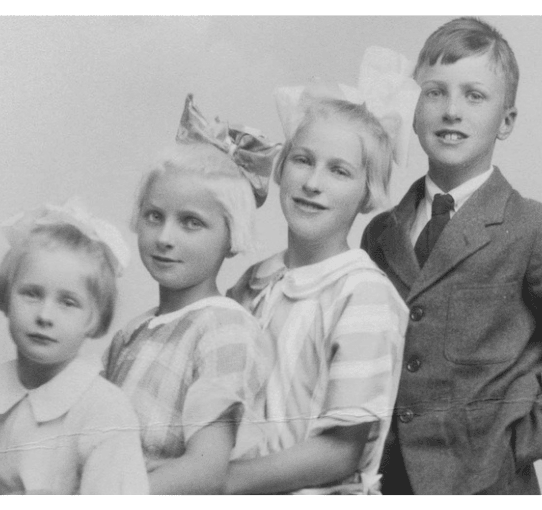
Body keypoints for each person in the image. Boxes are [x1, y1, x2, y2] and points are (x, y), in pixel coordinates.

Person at [360, 17, 542, 494]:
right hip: (382, 484)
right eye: (434, 92)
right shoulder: (380, 233)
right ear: (411, 108)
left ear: (507, 121)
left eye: (474, 96)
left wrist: (510, 449)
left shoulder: (535, 229)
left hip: (488, 487)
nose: (451, 111)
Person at [225, 47, 415, 494]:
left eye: (339, 171)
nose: (313, 183)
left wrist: (216, 484)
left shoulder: (363, 294)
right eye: (303, 160)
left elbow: (339, 452)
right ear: (281, 167)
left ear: (368, 193)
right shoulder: (253, 282)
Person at [102, 95, 277, 494]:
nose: (165, 237)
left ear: (231, 236)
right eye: (154, 216)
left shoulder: (224, 328)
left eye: (191, 223)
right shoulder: (132, 333)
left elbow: (205, 471)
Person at [0, 198, 148, 495]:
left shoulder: (105, 412)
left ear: (94, 318)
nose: (44, 316)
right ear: (6, 296)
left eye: (68, 302)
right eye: (31, 294)